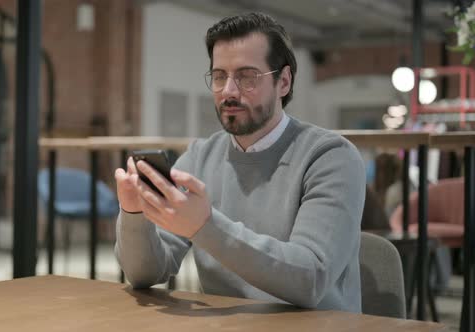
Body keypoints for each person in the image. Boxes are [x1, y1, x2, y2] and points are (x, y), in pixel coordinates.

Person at [114, 12, 365, 312]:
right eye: (220, 76)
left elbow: (309, 279)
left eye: (247, 77)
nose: (229, 91)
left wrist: (205, 225)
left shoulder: (330, 158)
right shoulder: (200, 157)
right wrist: (133, 214)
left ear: (283, 82)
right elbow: (145, 274)